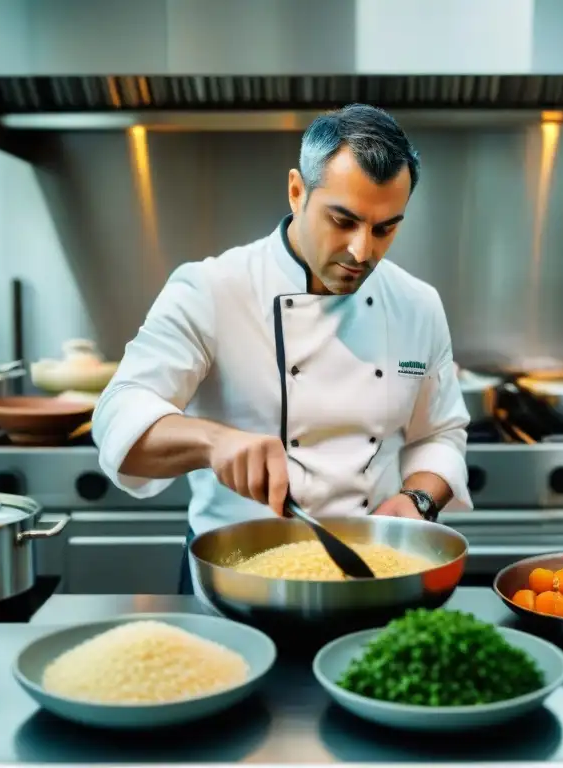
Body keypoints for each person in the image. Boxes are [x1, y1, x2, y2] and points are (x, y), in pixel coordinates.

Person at [92, 103, 471, 597]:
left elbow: (441, 433)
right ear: (297, 191)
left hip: (373, 575)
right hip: (235, 579)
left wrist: (417, 499)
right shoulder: (212, 288)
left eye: (384, 229)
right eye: (343, 220)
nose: (362, 251)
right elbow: (118, 417)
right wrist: (213, 442)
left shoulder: (417, 305)